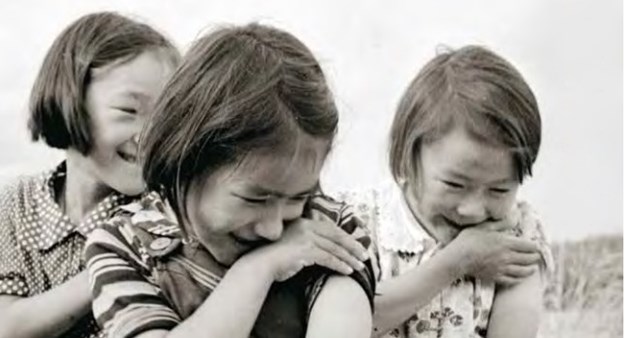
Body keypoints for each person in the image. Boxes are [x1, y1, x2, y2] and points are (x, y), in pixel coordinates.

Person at [83, 23, 374, 338]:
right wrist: (257, 269)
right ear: (184, 163)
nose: (274, 229)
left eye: (296, 198)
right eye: (255, 199)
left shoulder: (329, 230)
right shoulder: (121, 246)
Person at [0, 12, 179, 338]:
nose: (150, 136)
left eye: (166, 118)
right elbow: (8, 326)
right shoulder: (17, 204)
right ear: (69, 101)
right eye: (129, 110)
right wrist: (116, 258)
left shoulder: (164, 210)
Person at [358, 45, 552, 338]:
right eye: (454, 185)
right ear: (407, 158)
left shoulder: (517, 236)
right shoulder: (362, 220)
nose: (472, 210)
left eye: (499, 190)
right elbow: (346, 325)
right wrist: (457, 261)